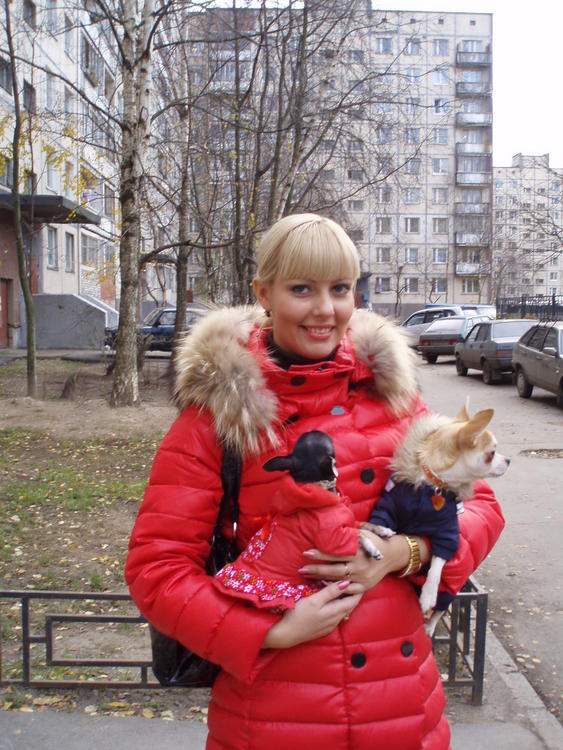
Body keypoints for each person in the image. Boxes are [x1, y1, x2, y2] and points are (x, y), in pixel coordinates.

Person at [125, 213, 505, 750]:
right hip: (276, 715)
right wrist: (270, 632)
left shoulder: (393, 397)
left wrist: (405, 554)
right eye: (302, 289)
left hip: (400, 707)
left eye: (340, 288)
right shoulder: (221, 417)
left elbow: (480, 504)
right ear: (264, 293)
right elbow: (156, 569)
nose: (326, 309)